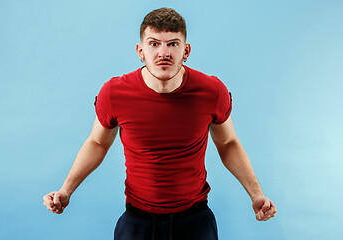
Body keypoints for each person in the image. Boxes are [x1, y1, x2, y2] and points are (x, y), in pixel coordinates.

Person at [43, 7, 277, 240]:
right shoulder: (114, 93)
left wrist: (256, 195)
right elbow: (97, 143)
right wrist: (66, 190)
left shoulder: (212, 91)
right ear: (140, 51)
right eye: (154, 44)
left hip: (195, 220)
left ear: (186, 50)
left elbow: (228, 143)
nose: (163, 52)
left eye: (172, 44)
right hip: (138, 220)